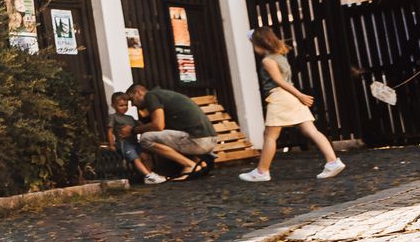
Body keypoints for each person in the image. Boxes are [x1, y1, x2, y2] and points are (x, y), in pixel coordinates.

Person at [239, 28, 346, 182]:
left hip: (280, 97)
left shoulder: (268, 60)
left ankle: (262, 171)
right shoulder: (280, 57)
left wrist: (300, 95)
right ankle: (333, 161)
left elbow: (279, 81)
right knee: (312, 131)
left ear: (259, 43)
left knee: (270, 135)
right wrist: (298, 96)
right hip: (290, 98)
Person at [125, 83, 217, 180]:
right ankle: (199, 162)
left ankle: (190, 165)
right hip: (210, 140)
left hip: (199, 140)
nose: (132, 104)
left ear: (138, 92)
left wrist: (133, 130)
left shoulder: (151, 96)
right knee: (161, 138)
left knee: (145, 139)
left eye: (131, 100)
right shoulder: (163, 94)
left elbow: (158, 125)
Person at [109, 92, 167, 185]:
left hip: (135, 142)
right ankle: (149, 176)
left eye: (126, 105)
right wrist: (111, 144)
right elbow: (110, 131)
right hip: (124, 143)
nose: (124, 107)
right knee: (135, 158)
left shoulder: (130, 117)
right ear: (113, 105)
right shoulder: (113, 117)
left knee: (145, 156)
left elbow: (139, 125)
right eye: (121, 105)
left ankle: (149, 174)